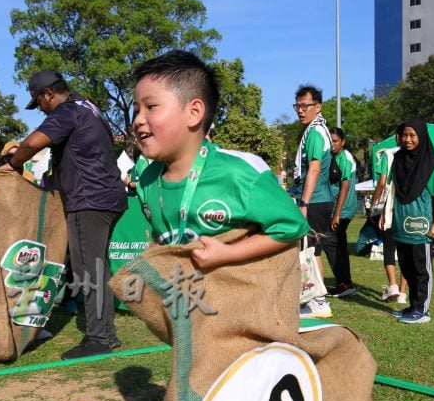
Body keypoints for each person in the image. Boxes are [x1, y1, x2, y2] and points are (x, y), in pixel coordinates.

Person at [131, 49, 308, 274]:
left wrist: (229, 253)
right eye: (136, 110)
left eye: (151, 107)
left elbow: (293, 226)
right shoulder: (147, 180)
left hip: (238, 303)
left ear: (194, 112)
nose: (138, 120)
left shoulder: (240, 173)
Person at [5, 69, 126, 359]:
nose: (41, 111)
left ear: (48, 94)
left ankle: (98, 338)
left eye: (39, 103)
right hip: (108, 197)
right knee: (98, 269)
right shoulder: (88, 107)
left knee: (88, 270)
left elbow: (32, 143)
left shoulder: (66, 110)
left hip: (89, 200)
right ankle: (107, 333)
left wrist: (13, 162)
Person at [384, 118, 434, 324]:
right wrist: (385, 213)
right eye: (404, 135)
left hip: (422, 224)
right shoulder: (398, 158)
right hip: (401, 222)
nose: (407, 140)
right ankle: (413, 307)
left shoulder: (431, 164)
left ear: (421, 136)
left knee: (421, 269)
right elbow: (390, 189)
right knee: (407, 267)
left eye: (412, 135)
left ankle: (422, 310)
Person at [293, 84, 333, 319]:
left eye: (305, 105)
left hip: (316, 201)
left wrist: (304, 203)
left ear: (318, 107)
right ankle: (313, 298)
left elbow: (315, 168)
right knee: (312, 249)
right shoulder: (315, 130)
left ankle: (318, 301)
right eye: (297, 105)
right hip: (317, 199)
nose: (300, 110)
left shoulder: (316, 133)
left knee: (312, 251)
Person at [372, 130, 408, 304]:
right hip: (410, 209)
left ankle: (392, 285)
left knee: (389, 247)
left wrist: (375, 204)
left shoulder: (389, 154)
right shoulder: (417, 155)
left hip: (391, 207)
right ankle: (402, 292)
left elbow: (382, 183)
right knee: (406, 251)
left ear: (396, 137)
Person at [326, 127, 357, 298]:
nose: (332, 144)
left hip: (343, 209)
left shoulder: (345, 158)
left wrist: (337, 213)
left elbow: (344, 186)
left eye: (335, 141)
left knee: (331, 242)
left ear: (343, 142)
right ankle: (344, 283)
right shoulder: (333, 157)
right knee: (339, 245)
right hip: (336, 208)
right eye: (330, 141)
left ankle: (344, 283)